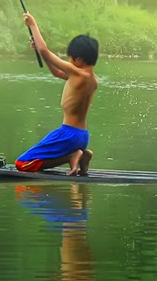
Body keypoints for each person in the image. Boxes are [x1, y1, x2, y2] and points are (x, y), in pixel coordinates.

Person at [15, 12, 98, 176]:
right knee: (32, 160)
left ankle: (72, 155)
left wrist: (33, 25)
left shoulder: (77, 74)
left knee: (22, 164)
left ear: (79, 60)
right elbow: (56, 72)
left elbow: (46, 51)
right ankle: (82, 157)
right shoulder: (92, 80)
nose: (69, 63)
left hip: (68, 134)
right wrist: (39, 51)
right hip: (82, 135)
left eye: (71, 59)